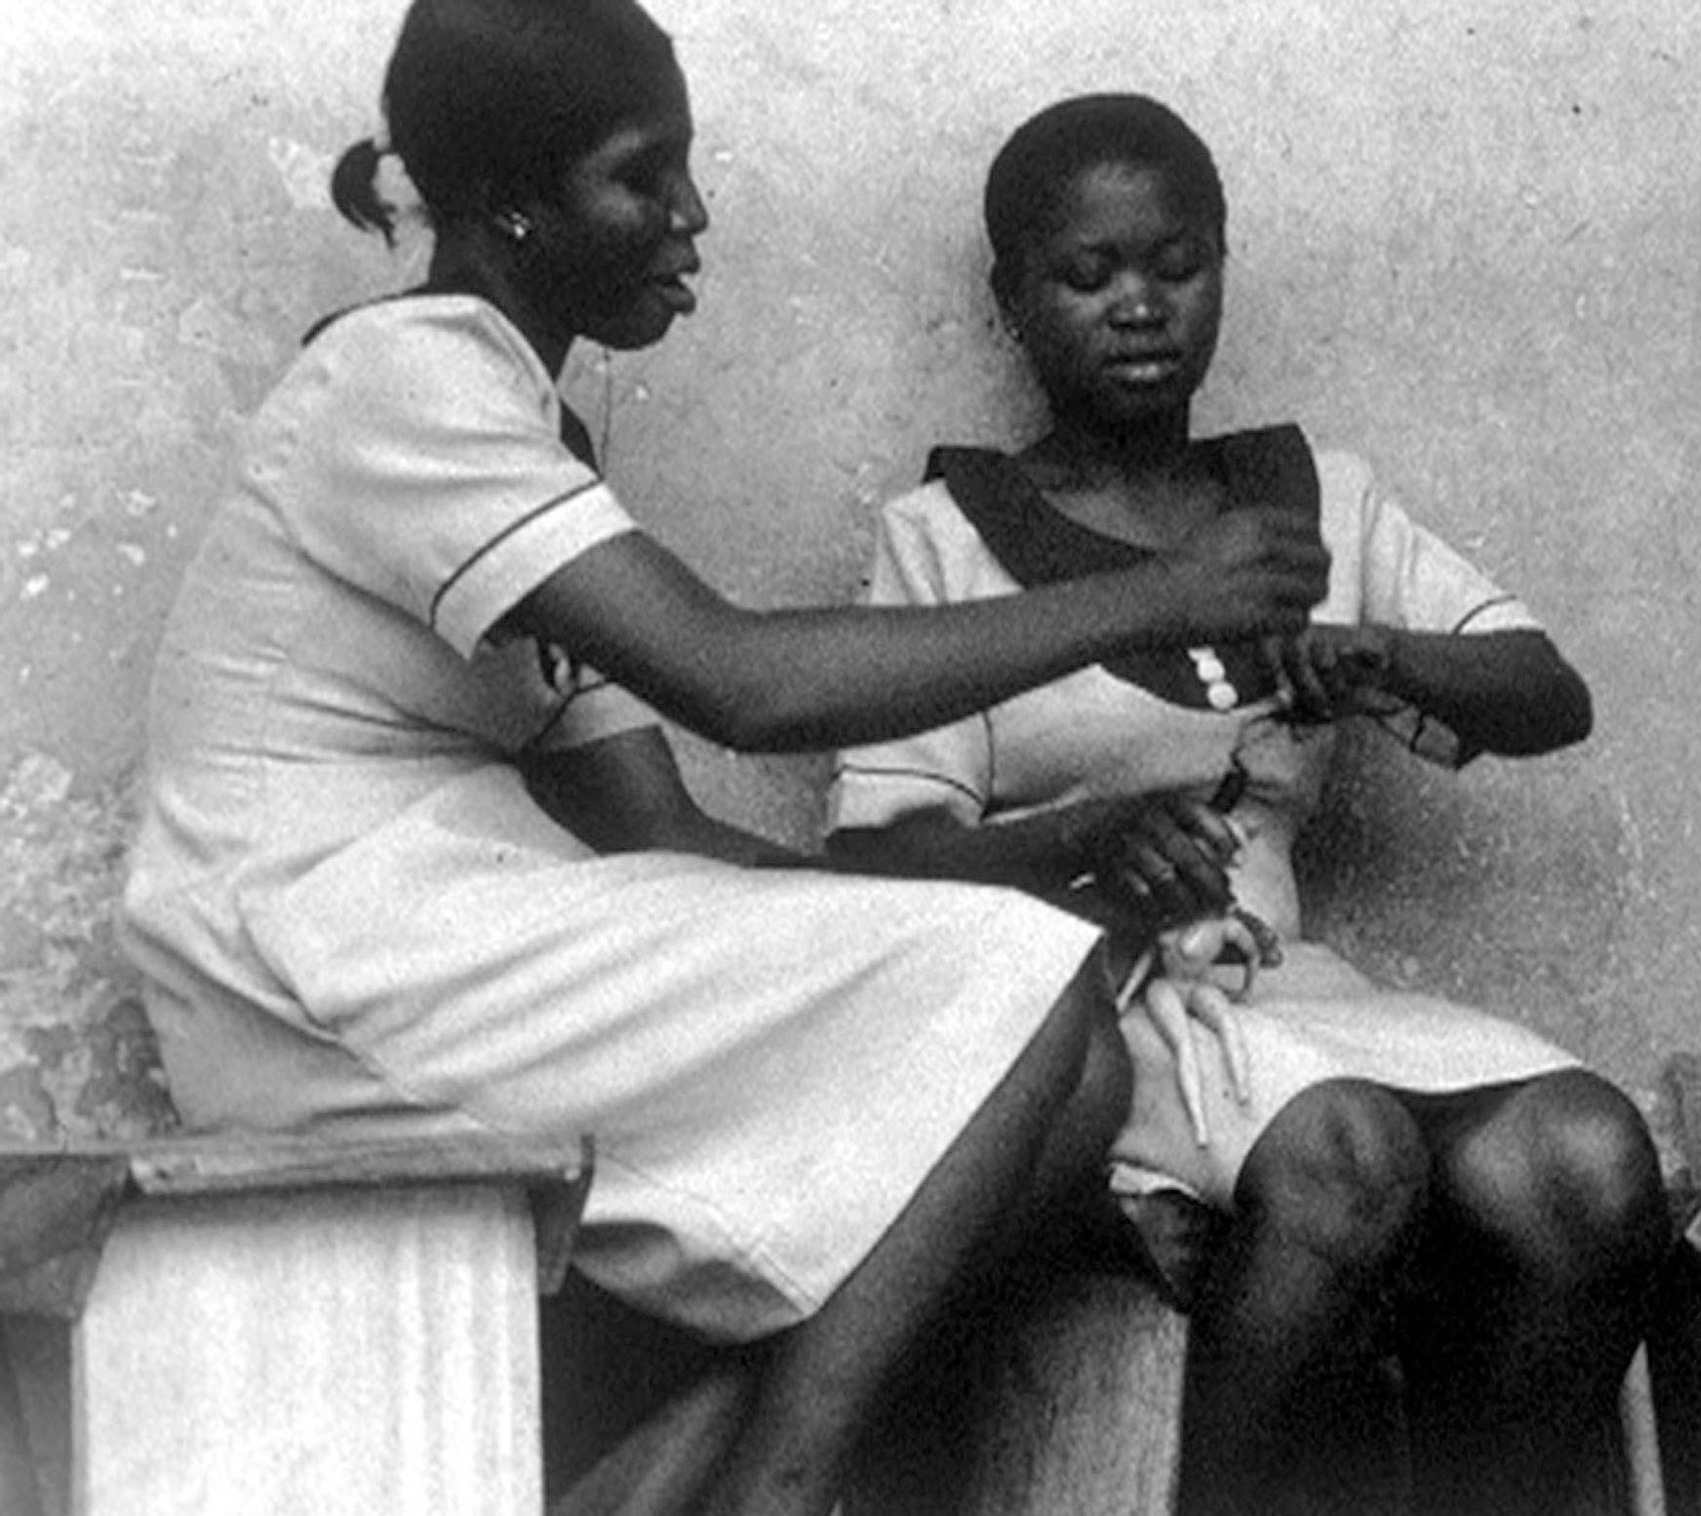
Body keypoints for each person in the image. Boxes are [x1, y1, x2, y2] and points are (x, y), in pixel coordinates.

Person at [115, 12, 1331, 1514]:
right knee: (1012, 1023)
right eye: (643, 177)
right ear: (511, 202)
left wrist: (1049, 860)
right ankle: (779, 1493)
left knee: (1063, 1052)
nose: (691, 215)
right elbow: (745, 683)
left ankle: (682, 1485)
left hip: (433, 929)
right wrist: (1157, 596)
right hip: (304, 953)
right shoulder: (401, 385)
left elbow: (667, 838)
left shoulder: (516, 429)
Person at [826, 92, 1672, 1516]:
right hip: (1071, 1006)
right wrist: (1077, 854)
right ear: (1013, 299)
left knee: (1591, 1161)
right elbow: (880, 853)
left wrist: (1387, 654)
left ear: (1221, 261)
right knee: (1349, 1153)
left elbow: (1548, 696)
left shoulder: (1310, 502)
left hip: (1283, 994)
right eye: (1086, 276)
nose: (1139, 306)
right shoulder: (944, 539)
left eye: (1175, 263)